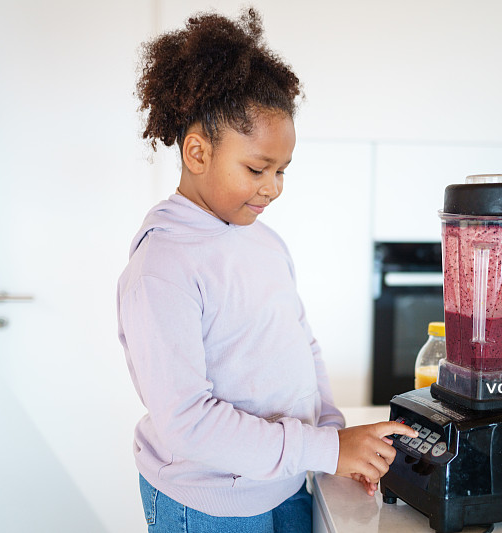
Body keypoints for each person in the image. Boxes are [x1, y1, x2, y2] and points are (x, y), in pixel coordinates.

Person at [116, 8, 417, 533]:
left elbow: (304, 346)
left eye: (282, 171)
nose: (273, 186)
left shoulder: (265, 243)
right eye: (257, 169)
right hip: (208, 503)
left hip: (285, 481)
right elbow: (187, 421)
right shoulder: (162, 266)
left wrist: (335, 442)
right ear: (197, 151)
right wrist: (324, 447)